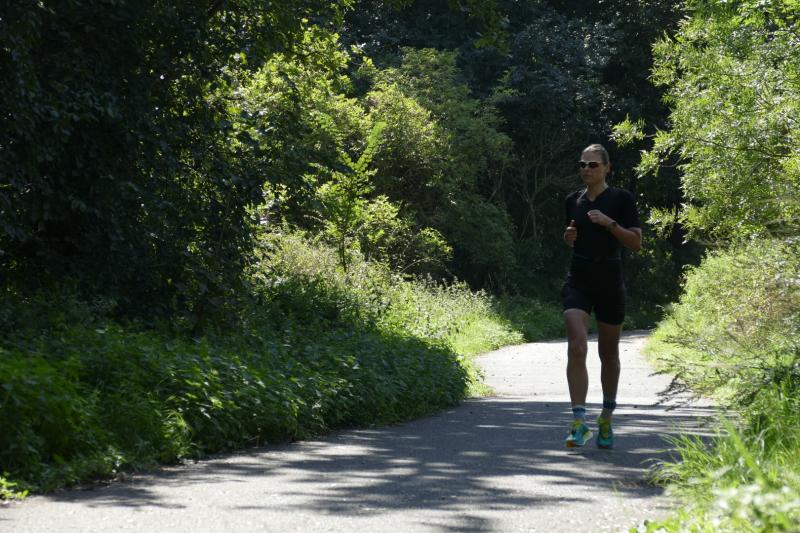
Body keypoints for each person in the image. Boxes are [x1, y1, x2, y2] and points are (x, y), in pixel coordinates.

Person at [561, 143, 642, 449]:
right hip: (579, 279)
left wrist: (610, 224)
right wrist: (568, 237)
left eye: (593, 164)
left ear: (607, 168)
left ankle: (606, 418)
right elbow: (571, 236)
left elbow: (635, 243)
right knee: (576, 345)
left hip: (610, 279)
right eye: (582, 164)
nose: (586, 169)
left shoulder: (622, 199)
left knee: (608, 354)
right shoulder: (573, 200)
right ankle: (578, 422)